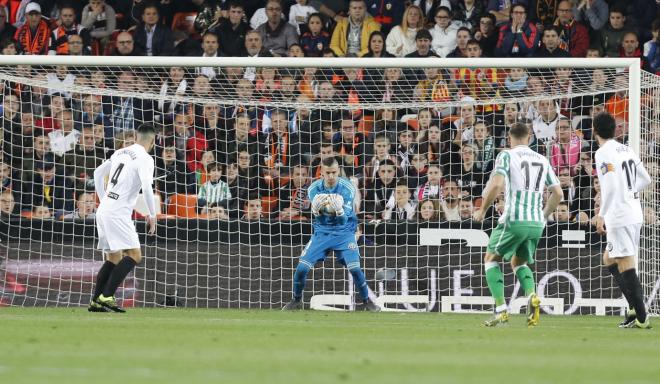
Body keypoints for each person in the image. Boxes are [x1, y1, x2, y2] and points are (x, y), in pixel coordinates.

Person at [472, 122, 563, 327]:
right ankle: (531, 295)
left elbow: (497, 184)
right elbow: (558, 193)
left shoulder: (507, 155)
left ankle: (501, 310)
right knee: (518, 263)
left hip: (514, 219)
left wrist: (483, 209)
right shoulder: (542, 159)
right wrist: (543, 215)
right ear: (529, 137)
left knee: (490, 259)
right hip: (535, 223)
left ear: (509, 138)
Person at [282, 157, 380, 311]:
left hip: (345, 232)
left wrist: (339, 210)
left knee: (355, 268)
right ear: (321, 172)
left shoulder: (348, 188)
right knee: (301, 269)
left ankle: (367, 301)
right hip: (322, 233)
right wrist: (316, 211)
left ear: (338, 171)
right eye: (328, 173)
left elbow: (343, 220)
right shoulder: (313, 189)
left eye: (334, 172)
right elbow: (319, 218)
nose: (331, 176)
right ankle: (296, 300)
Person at [89, 124, 158, 313]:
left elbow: (97, 174)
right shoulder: (145, 158)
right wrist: (152, 214)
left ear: (136, 137)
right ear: (152, 141)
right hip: (117, 213)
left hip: (104, 210)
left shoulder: (120, 152)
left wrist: (105, 199)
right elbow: (146, 185)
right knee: (135, 255)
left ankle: (96, 300)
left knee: (114, 257)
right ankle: (107, 296)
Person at [593, 112, 652, 329]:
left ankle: (642, 318)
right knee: (609, 258)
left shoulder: (602, 153)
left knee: (626, 262)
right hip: (633, 211)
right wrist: (630, 191)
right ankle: (633, 309)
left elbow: (610, 187)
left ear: (595, 130)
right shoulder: (626, 149)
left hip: (619, 215)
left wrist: (601, 214)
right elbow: (646, 179)